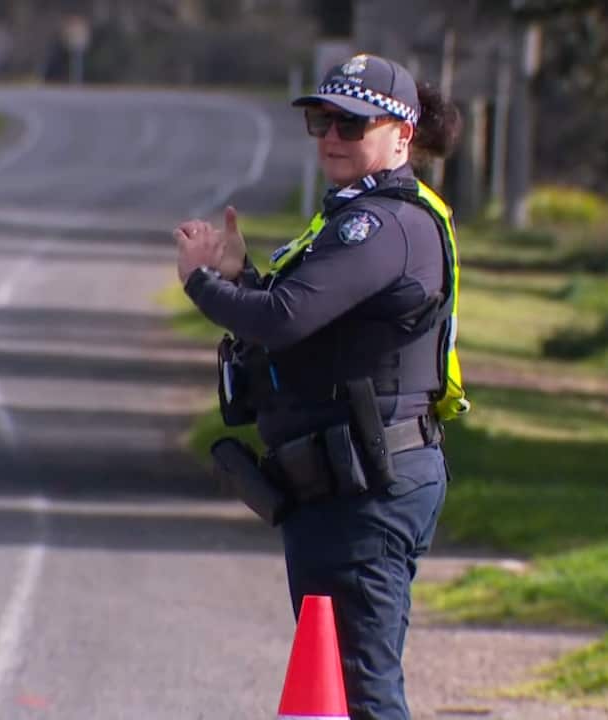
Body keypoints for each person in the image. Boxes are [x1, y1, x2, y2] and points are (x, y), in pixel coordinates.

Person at [173, 53, 466, 719]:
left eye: (352, 124)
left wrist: (199, 281)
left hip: (365, 488)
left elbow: (283, 320)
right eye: (321, 120)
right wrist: (240, 274)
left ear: (401, 133)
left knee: (363, 692)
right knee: (339, 682)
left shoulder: (382, 225)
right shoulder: (358, 216)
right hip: (343, 484)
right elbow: (309, 325)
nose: (332, 137)